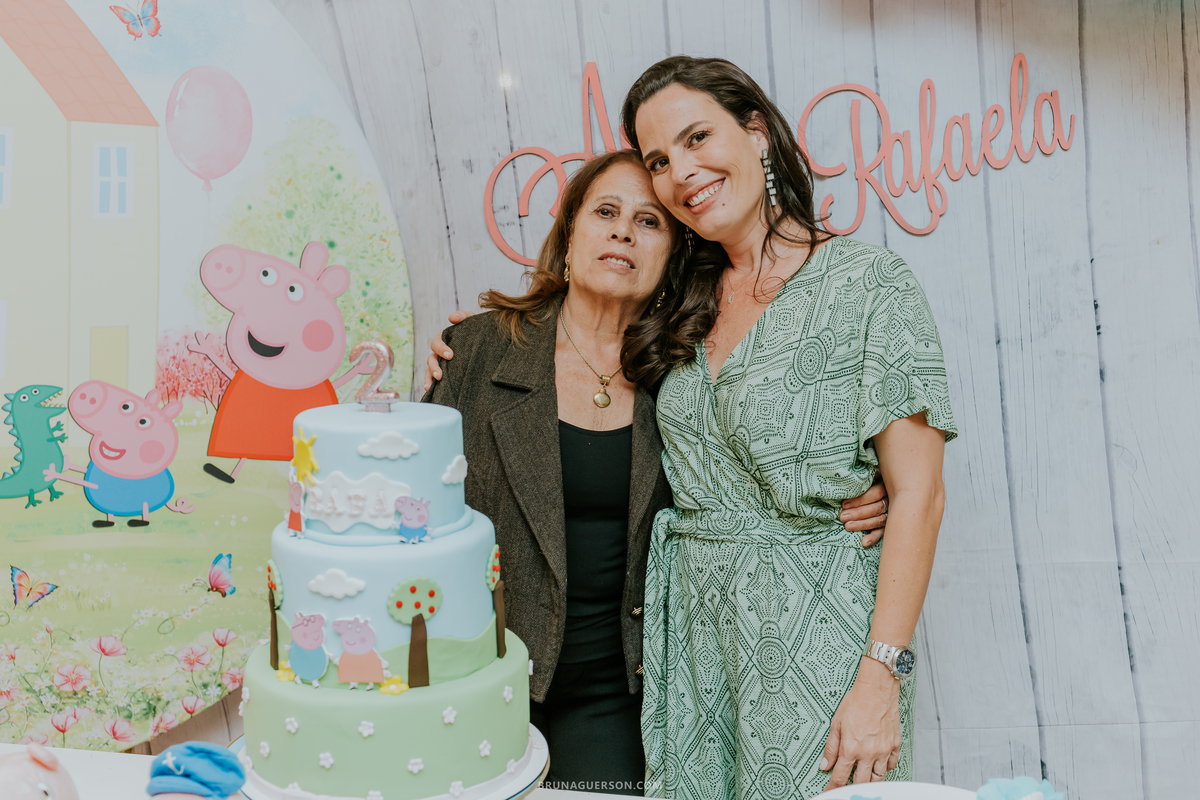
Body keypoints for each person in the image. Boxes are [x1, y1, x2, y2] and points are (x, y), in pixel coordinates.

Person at [422, 149, 890, 794]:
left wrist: (870, 486)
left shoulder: (689, 368)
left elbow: (769, 464)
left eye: (650, 222)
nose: (622, 231)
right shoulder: (475, 350)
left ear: (673, 255)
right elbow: (409, 516)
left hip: (632, 695)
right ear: (568, 237)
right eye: (606, 212)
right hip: (485, 682)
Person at [620, 56, 956, 798]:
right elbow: (577, 333)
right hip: (699, 643)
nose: (681, 171)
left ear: (758, 131)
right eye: (659, 161)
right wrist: (480, 336)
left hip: (820, 632)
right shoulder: (680, 298)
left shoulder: (869, 285)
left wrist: (881, 676)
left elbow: (920, 497)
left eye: (698, 137)